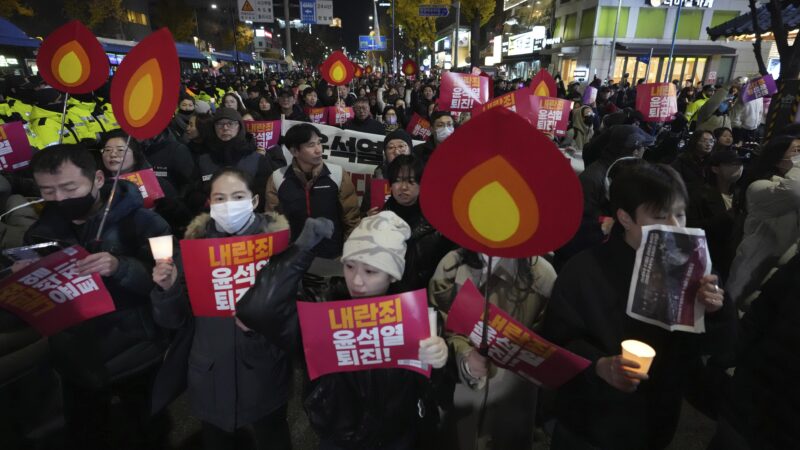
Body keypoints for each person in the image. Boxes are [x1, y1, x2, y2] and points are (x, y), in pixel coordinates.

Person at [542, 162, 736, 450]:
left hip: (658, 416)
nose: (674, 226)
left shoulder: (693, 269)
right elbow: (556, 342)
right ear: (625, 218)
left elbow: (717, 348)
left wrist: (714, 311)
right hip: (590, 421)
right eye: (660, 216)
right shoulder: (584, 270)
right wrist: (600, 366)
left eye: (680, 215)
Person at [236, 211, 450, 449]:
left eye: (370, 272)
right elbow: (258, 308)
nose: (357, 281)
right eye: (349, 266)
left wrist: (440, 359)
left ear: (392, 276)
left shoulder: (415, 317)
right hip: (338, 436)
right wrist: (301, 250)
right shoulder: (322, 308)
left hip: (396, 437)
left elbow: (432, 389)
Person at [151, 168, 316, 450]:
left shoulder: (277, 248)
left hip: (265, 367)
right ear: (210, 204)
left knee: (272, 435)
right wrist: (168, 289)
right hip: (210, 369)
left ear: (253, 201)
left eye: (237, 196)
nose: (229, 205)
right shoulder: (192, 250)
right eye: (220, 198)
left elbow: (295, 315)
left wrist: (263, 320)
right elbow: (173, 321)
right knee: (217, 439)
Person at [24, 144, 171, 449]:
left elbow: (168, 281)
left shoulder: (148, 224)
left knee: (148, 430)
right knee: (87, 434)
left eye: (69, 187)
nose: (60, 199)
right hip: (75, 357)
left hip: (137, 350)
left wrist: (121, 267)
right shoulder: (40, 233)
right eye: (47, 191)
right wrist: (25, 277)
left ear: (98, 180)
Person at [429, 246, 556, 450]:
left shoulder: (542, 276)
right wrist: (464, 356)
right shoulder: (452, 264)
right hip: (461, 397)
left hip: (510, 401)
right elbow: (439, 324)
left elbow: (548, 341)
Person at [726, 135, 800, 311]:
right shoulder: (759, 187)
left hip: (780, 276)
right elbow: (794, 191)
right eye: (796, 151)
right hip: (752, 273)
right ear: (777, 159)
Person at [265, 123, 360, 258]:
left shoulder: (337, 174)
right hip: (293, 258)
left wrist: (350, 253)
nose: (319, 150)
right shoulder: (277, 178)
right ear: (294, 151)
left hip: (333, 256)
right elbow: (272, 223)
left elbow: (351, 218)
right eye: (311, 145)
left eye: (319, 143)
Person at [382, 155, 456, 292]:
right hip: (390, 299)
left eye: (411, 181)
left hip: (427, 297)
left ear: (422, 184)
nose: (403, 187)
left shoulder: (439, 223)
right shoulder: (379, 220)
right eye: (397, 181)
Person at [195, 108, 274, 212]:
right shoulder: (203, 159)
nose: (225, 128)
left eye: (230, 123)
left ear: (239, 126)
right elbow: (194, 192)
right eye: (219, 124)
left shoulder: (256, 159)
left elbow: (266, 195)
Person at [686, 148, 744, 280]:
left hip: (733, 258)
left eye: (740, 164)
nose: (739, 168)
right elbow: (691, 227)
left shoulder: (740, 194)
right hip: (710, 257)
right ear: (715, 169)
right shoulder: (699, 194)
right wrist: (725, 217)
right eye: (732, 164)